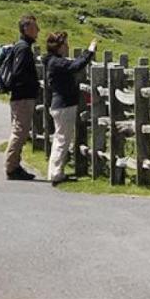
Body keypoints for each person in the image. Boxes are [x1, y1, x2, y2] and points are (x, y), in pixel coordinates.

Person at [42, 31, 96, 185]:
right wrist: (90, 51)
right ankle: (56, 173)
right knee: (63, 139)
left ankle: (53, 171)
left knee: (60, 138)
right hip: (64, 105)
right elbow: (75, 66)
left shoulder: (54, 61)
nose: (67, 46)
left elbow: (72, 64)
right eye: (65, 44)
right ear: (58, 47)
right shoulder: (57, 62)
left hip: (60, 105)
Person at [3, 14, 41, 181]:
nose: (38, 30)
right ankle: (11, 167)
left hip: (20, 96)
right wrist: (31, 85)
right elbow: (18, 73)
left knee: (19, 130)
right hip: (23, 97)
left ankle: (15, 165)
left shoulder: (22, 46)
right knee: (20, 131)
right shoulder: (24, 48)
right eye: (34, 27)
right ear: (26, 28)